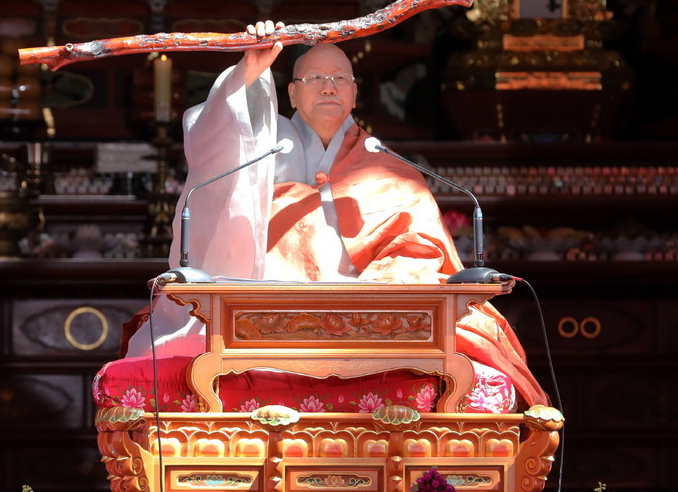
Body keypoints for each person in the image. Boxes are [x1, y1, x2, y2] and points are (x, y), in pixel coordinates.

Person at [121, 21, 548, 409]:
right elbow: (217, 141)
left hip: (369, 323)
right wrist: (249, 71)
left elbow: (421, 256)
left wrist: (363, 296)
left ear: (355, 92)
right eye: (316, 78)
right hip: (265, 320)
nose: (329, 88)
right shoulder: (257, 156)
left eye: (340, 78)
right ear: (291, 93)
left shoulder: (388, 166)